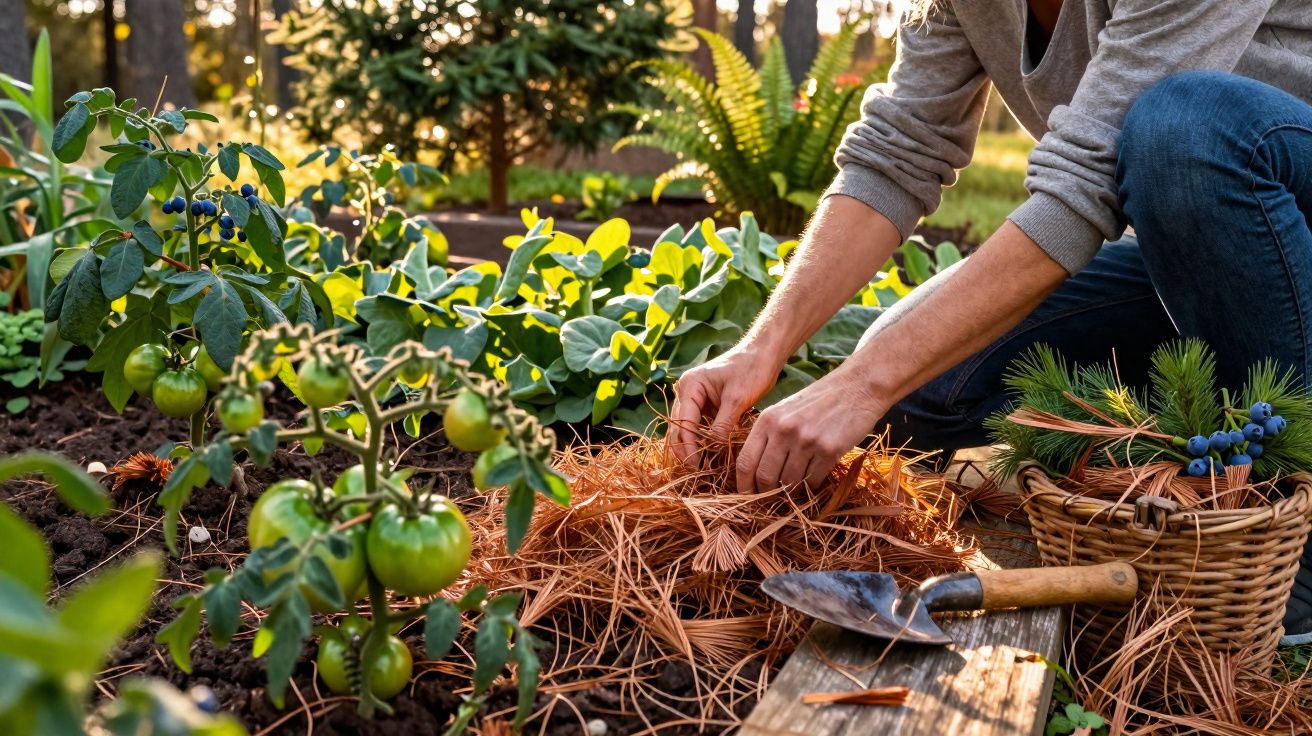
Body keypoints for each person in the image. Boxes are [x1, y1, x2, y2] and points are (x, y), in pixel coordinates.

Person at [668, 0, 1312, 642]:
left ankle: (1297, 533)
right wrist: (763, 346)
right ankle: (1205, 445)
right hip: (1212, 257)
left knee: (1186, 129)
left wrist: (858, 384)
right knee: (927, 386)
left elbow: (1082, 189)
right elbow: (899, 152)